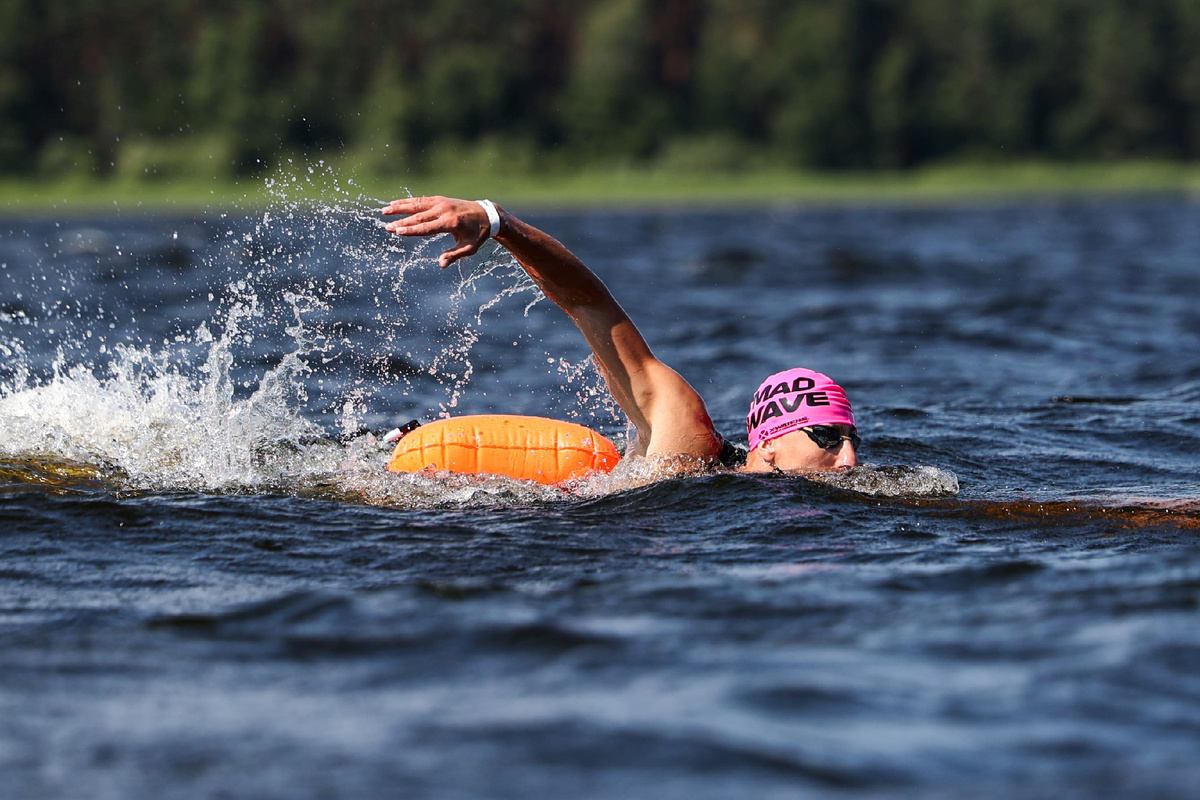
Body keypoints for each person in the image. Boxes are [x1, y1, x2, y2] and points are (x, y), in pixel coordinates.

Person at [381, 196, 858, 474]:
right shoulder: (687, 437)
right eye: (828, 438)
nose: (849, 459)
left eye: (850, 439)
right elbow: (588, 304)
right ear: (769, 444)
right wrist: (499, 221)